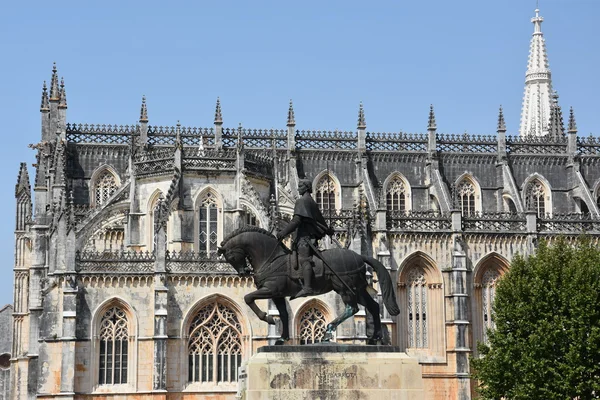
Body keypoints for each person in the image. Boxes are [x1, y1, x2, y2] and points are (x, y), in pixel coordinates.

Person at [277, 179, 334, 299]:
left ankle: (307, 287)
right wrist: (328, 230)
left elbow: (296, 220)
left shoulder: (302, 201)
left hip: (305, 238)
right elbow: (320, 220)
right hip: (309, 236)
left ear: (306, 187)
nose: (298, 189)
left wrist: (283, 233)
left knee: (304, 259)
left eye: (300, 186)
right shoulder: (311, 201)